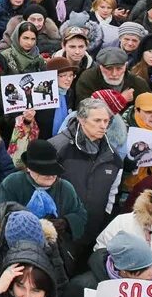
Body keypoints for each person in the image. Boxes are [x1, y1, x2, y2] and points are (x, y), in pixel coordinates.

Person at [48, 98, 125, 257]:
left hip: (92, 232)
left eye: (106, 121)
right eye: (97, 120)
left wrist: (104, 219)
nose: (103, 125)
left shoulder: (114, 158)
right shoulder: (57, 148)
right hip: (58, 232)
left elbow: (112, 195)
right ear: (81, 120)